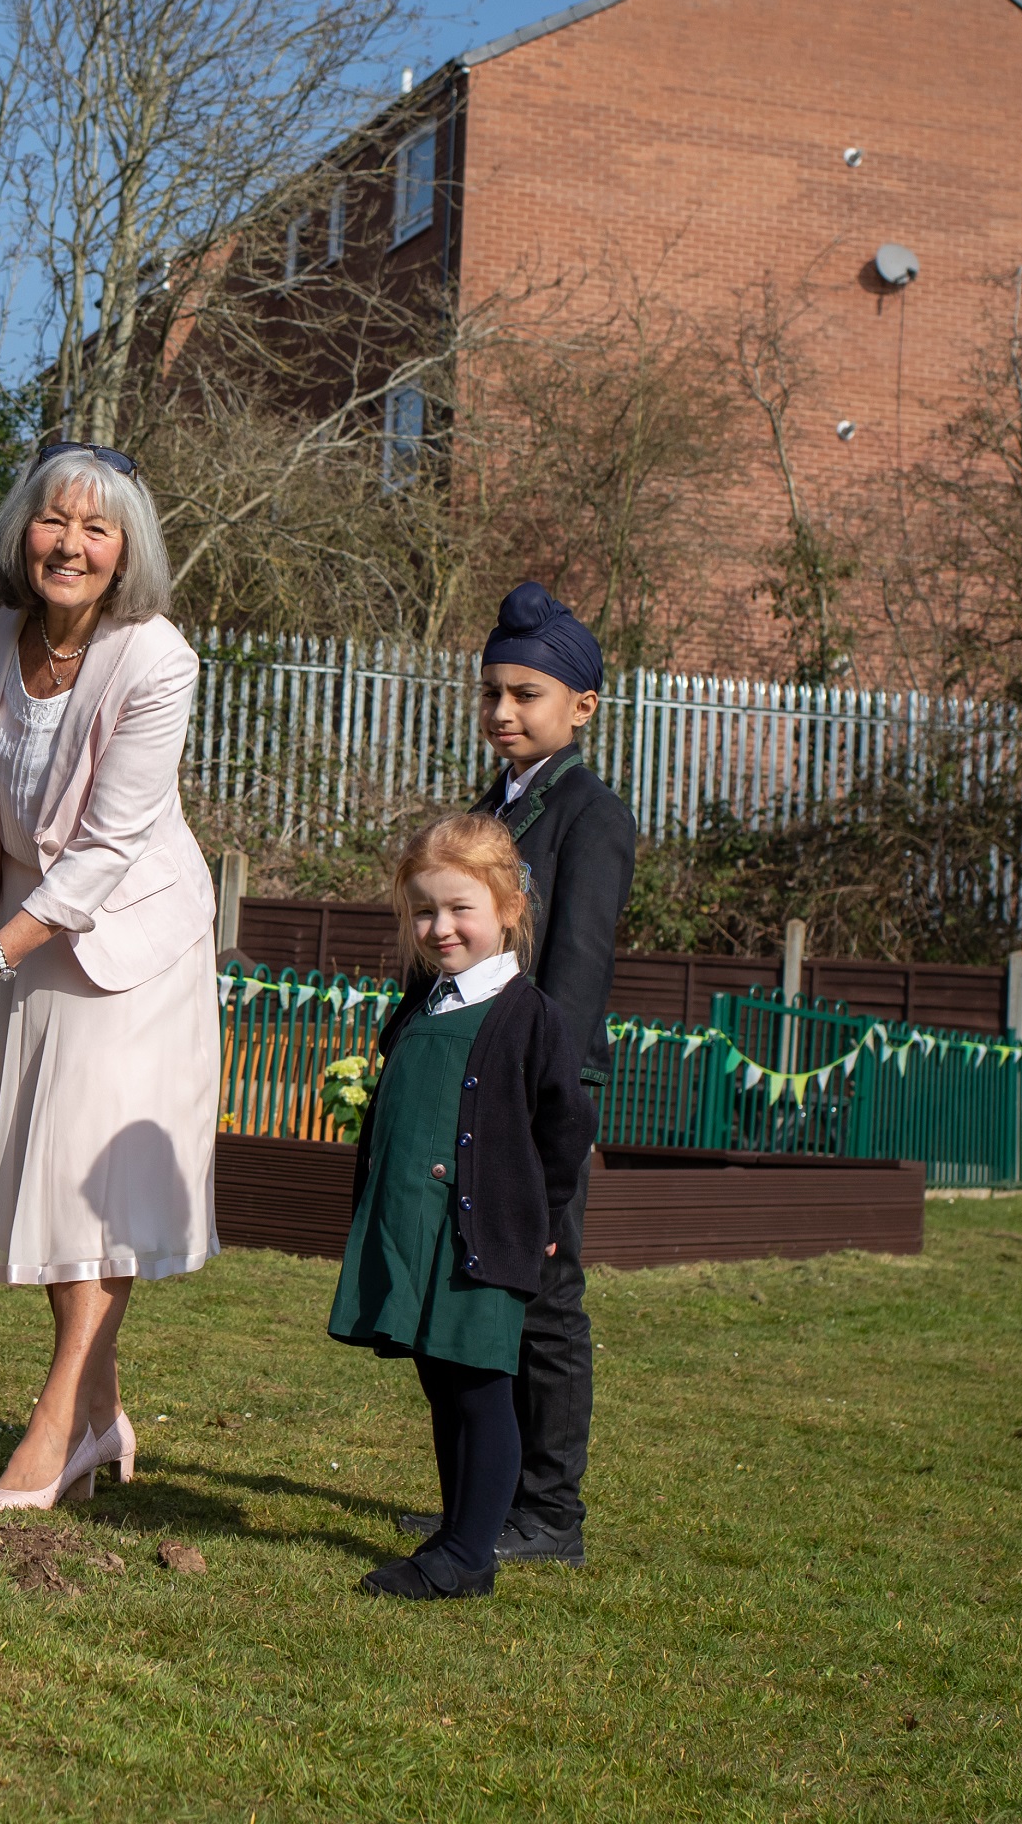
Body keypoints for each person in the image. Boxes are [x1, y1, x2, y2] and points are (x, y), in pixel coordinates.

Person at [0, 442, 220, 1510]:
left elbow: (106, 847)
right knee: (49, 1190)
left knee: (98, 1194)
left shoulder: (157, 660)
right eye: (53, 521)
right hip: (31, 928)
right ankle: (99, 1417)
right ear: (21, 528)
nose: (70, 544)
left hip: (128, 949)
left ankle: (49, 1435)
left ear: (125, 548)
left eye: (96, 528)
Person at [397, 581, 636, 1564]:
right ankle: (479, 1504)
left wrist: (542, 1112)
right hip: (462, 1090)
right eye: (491, 690)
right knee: (467, 1289)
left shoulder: (590, 817)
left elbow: (573, 981)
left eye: (525, 693)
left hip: (535, 1096)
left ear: (580, 705)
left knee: (543, 1297)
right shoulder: (482, 813)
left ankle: (550, 1513)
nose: (502, 711)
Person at [332, 815, 597, 1599]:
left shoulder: (529, 1016)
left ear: (510, 907)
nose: (440, 928)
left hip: (481, 1234)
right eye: (424, 912)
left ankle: (469, 1556)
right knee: (440, 1379)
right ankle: (459, 1533)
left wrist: (541, 1218)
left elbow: (566, 1126)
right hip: (416, 1232)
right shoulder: (425, 1005)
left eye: (460, 909)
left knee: (481, 1385)